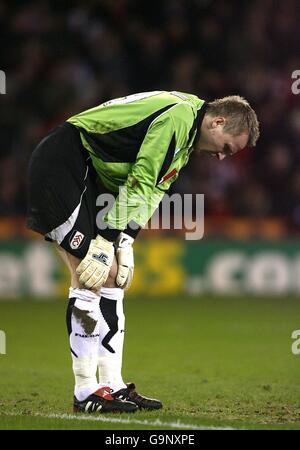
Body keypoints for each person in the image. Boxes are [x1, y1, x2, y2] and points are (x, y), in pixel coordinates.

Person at [26, 90, 259, 413]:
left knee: (112, 280)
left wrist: (125, 240)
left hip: (88, 175)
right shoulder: (178, 118)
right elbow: (140, 180)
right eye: (226, 148)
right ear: (218, 122)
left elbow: (153, 190)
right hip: (63, 164)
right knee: (91, 277)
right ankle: (84, 391)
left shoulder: (187, 131)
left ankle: (112, 385)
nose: (221, 157)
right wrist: (106, 240)